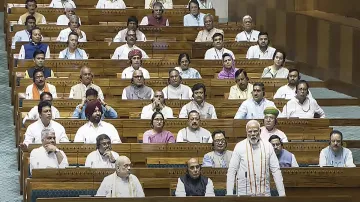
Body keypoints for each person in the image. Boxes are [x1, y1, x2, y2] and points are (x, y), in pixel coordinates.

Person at [226, 120, 285, 196]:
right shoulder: (239, 146)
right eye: (250, 131)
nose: (253, 134)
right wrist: (229, 194)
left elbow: (276, 170)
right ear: (246, 132)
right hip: (244, 193)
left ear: (260, 131)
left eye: (255, 131)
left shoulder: (268, 146)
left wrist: (282, 194)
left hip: (264, 193)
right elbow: (232, 170)